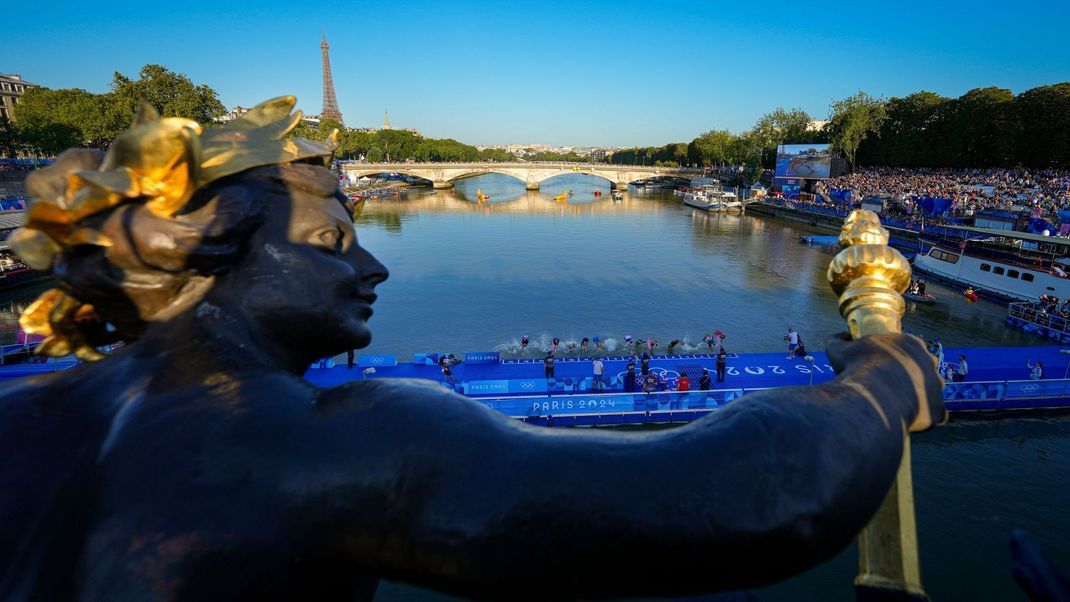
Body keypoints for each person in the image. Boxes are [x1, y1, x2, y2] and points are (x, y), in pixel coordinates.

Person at [0, 101, 947, 601]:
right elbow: (754, 504)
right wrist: (883, 378)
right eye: (332, 239)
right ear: (215, 246)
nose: (371, 265)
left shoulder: (24, 417)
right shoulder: (339, 437)